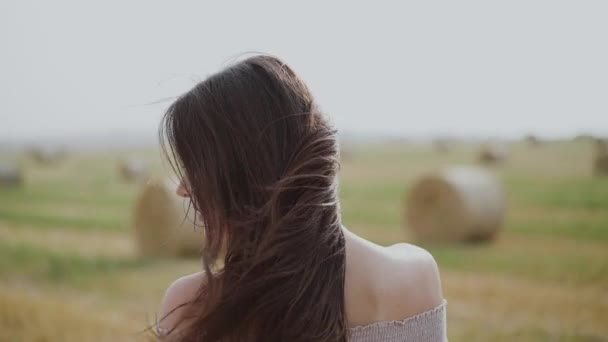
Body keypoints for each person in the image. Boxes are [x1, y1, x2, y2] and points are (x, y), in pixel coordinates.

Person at [156, 55, 446, 341]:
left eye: (196, 168)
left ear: (242, 175)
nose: (183, 188)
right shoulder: (413, 275)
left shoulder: (193, 308)